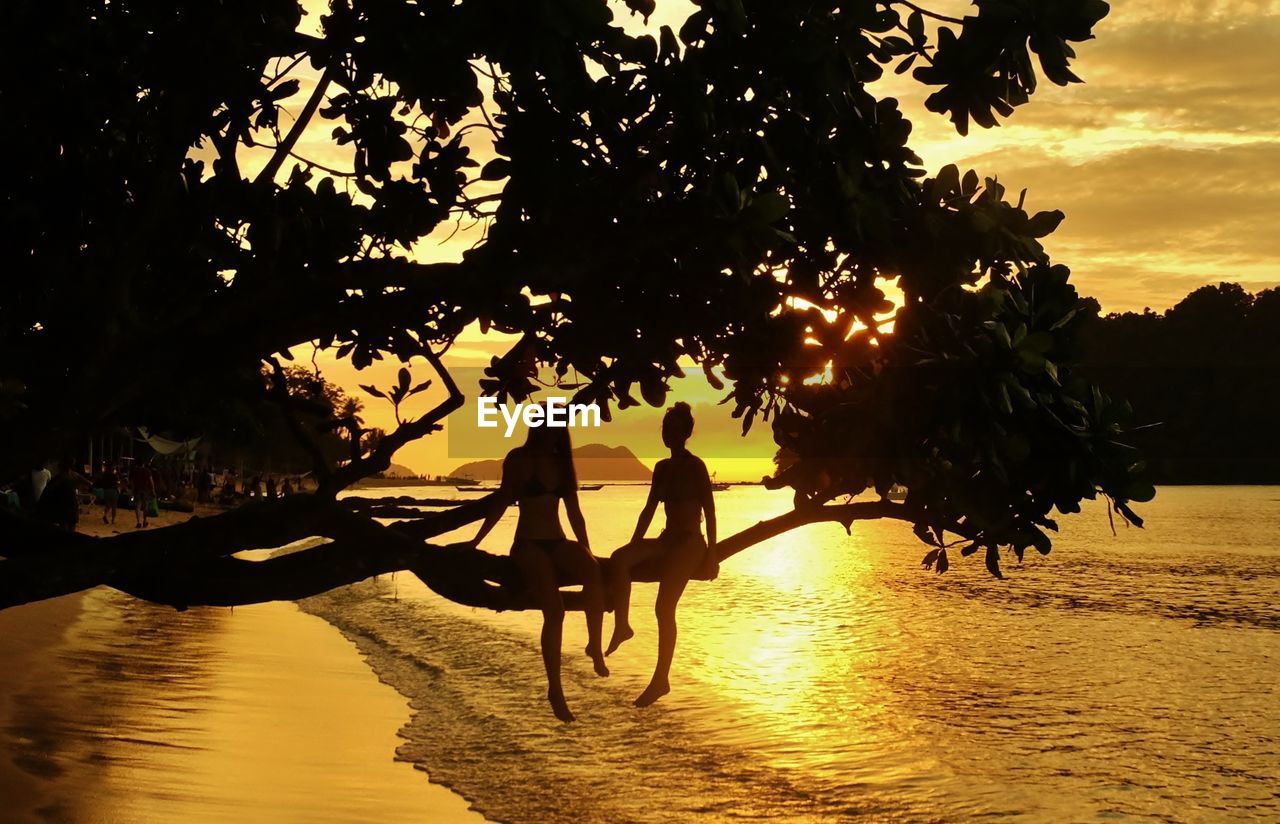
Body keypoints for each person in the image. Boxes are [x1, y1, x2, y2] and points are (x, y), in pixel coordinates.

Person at [469, 419, 607, 722]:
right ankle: (555, 689)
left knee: (593, 571)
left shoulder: (561, 464)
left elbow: (575, 514)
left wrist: (587, 550)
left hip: (556, 541)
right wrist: (476, 541)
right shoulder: (518, 459)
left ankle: (594, 646)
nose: (553, 433)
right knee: (554, 611)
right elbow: (502, 502)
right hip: (528, 545)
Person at [606, 402, 718, 707]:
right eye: (665, 429)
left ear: (686, 433)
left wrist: (712, 555)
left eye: (674, 429)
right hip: (667, 538)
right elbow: (648, 510)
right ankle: (622, 626)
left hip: (691, 542)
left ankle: (660, 680)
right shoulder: (662, 468)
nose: (668, 434)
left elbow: (709, 509)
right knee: (619, 559)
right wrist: (634, 545)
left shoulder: (695, 466)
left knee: (663, 607)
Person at [131, 460, 156, 528]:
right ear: (143, 464)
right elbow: (151, 481)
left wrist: (132, 491)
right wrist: (153, 490)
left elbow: (133, 482)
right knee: (145, 507)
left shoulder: (135, 471)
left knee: (138, 506)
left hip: (137, 490)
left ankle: (138, 522)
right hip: (145, 490)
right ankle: (144, 521)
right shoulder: (147, 471)